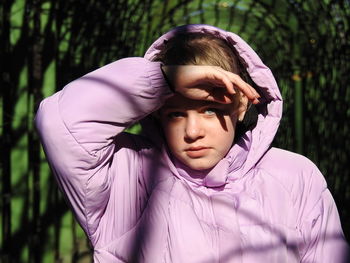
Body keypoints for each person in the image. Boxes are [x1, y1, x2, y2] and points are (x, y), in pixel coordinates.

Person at [35, 24, 349, 262]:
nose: (192, 131)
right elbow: (61, 122)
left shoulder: (294, 176)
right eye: (175, 113)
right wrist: (165, 79)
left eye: (210, 110)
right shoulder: (127, 178)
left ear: (241, 107)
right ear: (156, 113)